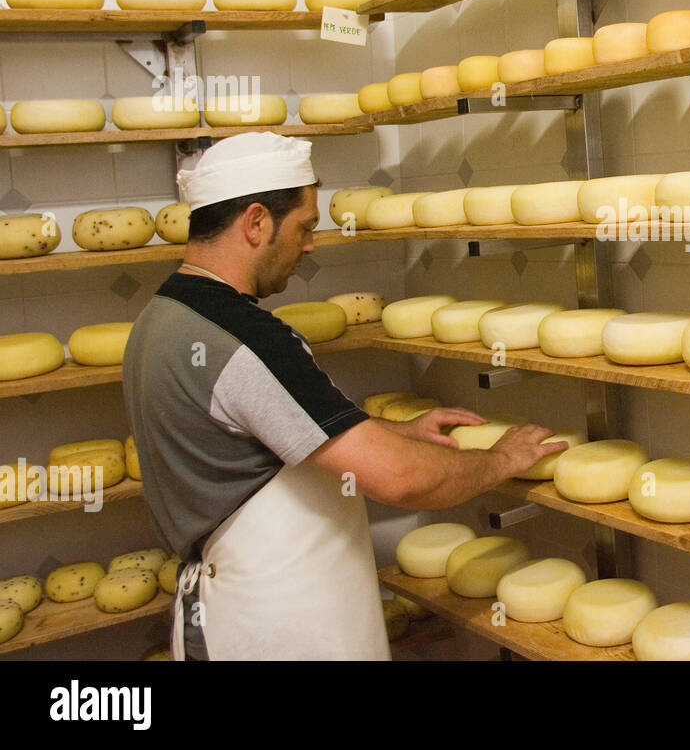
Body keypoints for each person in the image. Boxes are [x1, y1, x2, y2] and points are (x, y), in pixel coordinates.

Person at [121, 132, 565, 660]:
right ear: (256, 222)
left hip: (227, 618)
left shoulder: (162, 318)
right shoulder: (245, 338)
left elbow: (254, 444)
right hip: (278, 629)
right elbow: (401, 480)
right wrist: (500, 460)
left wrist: (394, 433)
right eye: (305, 227)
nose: (311, 245)